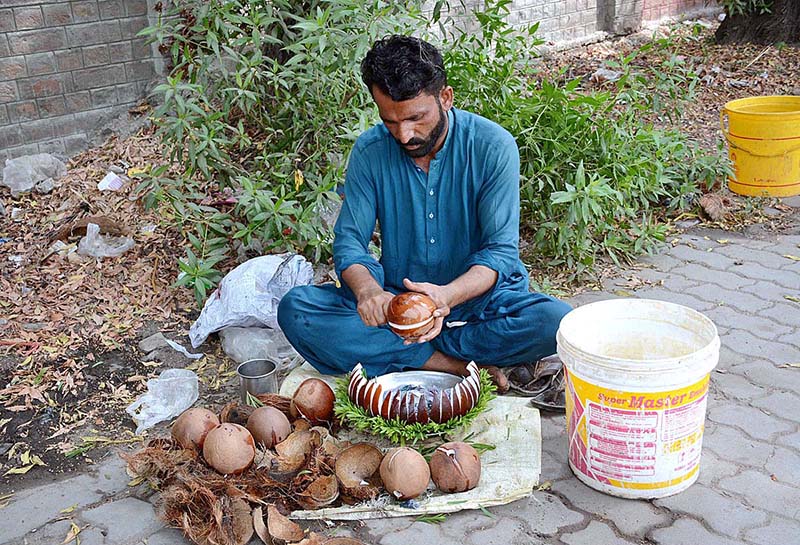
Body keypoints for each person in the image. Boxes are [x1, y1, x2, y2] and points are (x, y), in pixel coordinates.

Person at [278, 35, 571, 392]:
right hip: (397, 309)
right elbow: (351, 241)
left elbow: (500, 253)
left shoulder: (493, 146)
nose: (404, 134)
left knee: (557, 322)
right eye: (390, 121)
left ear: (445, 98)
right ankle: (448, 364)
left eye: (416, 118)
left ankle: (402, 353)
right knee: (297, 310)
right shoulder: (370, 152)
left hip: (477, 305)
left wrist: (445, 297)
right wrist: (370, 292)